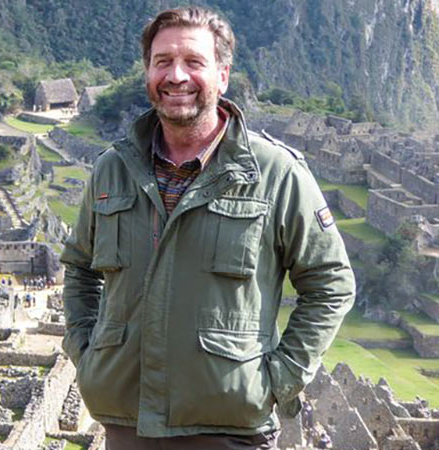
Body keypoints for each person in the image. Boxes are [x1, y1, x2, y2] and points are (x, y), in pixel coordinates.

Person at [60, 6, 355, 450]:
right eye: (162, 62)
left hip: (229, 429)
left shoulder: (276, 174)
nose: (176, 76)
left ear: (223, 75)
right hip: (127, 424)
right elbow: (79, 268)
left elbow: (331, 283)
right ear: (148, 73)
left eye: (193, 62)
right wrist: (86, 355)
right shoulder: (112, 170)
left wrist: (278, 380)